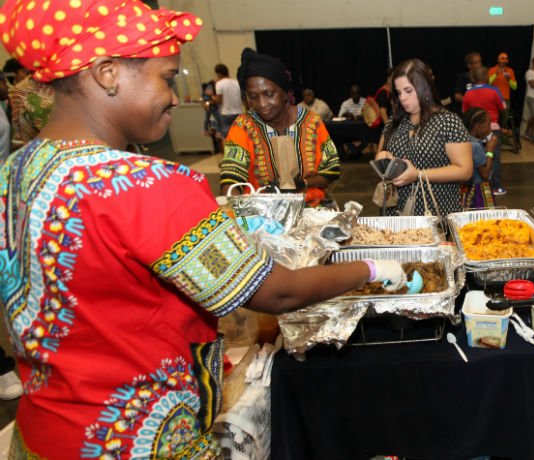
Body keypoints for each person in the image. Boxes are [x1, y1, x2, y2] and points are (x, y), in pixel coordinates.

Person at [0, 1, 404, 457]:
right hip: (135, 441)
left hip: (40, 434)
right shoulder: (149, 186)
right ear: (108, 73)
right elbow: (277, 292)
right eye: (166, 78)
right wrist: (370, 268)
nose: (174, 97)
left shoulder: (16, 171)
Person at [221, 49, 341, 206]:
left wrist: (303, 184)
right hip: (262, 216)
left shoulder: (311, 122)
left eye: (269, 94)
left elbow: (331, 169)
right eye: (253, 97)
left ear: (285, 93)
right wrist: (237, 208)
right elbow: (231, 175)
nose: (262, 104)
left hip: (311, 209)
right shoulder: (244, 126)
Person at [376, 58, 472, 217]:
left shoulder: (448, 122)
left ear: (424, 87)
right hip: (394, 216)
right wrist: (383, 159)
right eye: (399, 92)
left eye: (408, 91)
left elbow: (465, 170)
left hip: (434, 213)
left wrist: (419, 175)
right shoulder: (395, 121)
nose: (402, 98)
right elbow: (380, 153)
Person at [462, 66, 507, 196]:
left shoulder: (468, 93)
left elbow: (465, 112)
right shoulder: (494, 90)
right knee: (493, 158)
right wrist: (502, 125)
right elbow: (503, 108)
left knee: (475, 159)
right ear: (487, 77)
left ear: (474, 78)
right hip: (492, 128)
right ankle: (496, 186)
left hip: (474, 129)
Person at [460, 108, 496, 209]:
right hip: (479, 191)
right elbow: (485, 174)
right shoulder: (475, 146)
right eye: (488, 125)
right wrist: (490, 150)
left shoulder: (464, 139)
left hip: (466, 189)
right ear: (478, 126)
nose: (490, 129)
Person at [212, 62, 243, 138]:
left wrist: (213, 97)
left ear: (219, 74)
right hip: (239, 112)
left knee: (229, 137)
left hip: (226, 113)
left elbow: (219, 101)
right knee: (240, 135)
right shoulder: (237, 82)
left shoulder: (219, 84)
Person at [201, 80, 223, 154]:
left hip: (211, 107)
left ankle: (206, 130)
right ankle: (217, 132)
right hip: (213, 107)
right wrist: (212, 100)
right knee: (218, 118)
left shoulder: (208, 89)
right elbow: (210, 98)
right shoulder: (211, 88)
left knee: (209, 118)